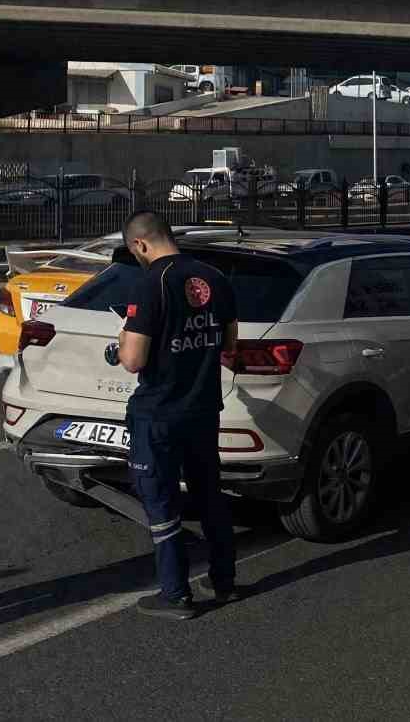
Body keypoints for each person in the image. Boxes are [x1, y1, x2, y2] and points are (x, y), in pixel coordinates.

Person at [113, 212, 240, 619]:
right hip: (203, 408)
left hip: (160, 413)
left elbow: (133, 360)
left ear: (141, 245)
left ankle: (175, 593)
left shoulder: (151, 284)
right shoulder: (215, 278)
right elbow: (230, 344)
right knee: (210, 497)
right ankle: (224, 582)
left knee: (161, 501)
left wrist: (121, 342)